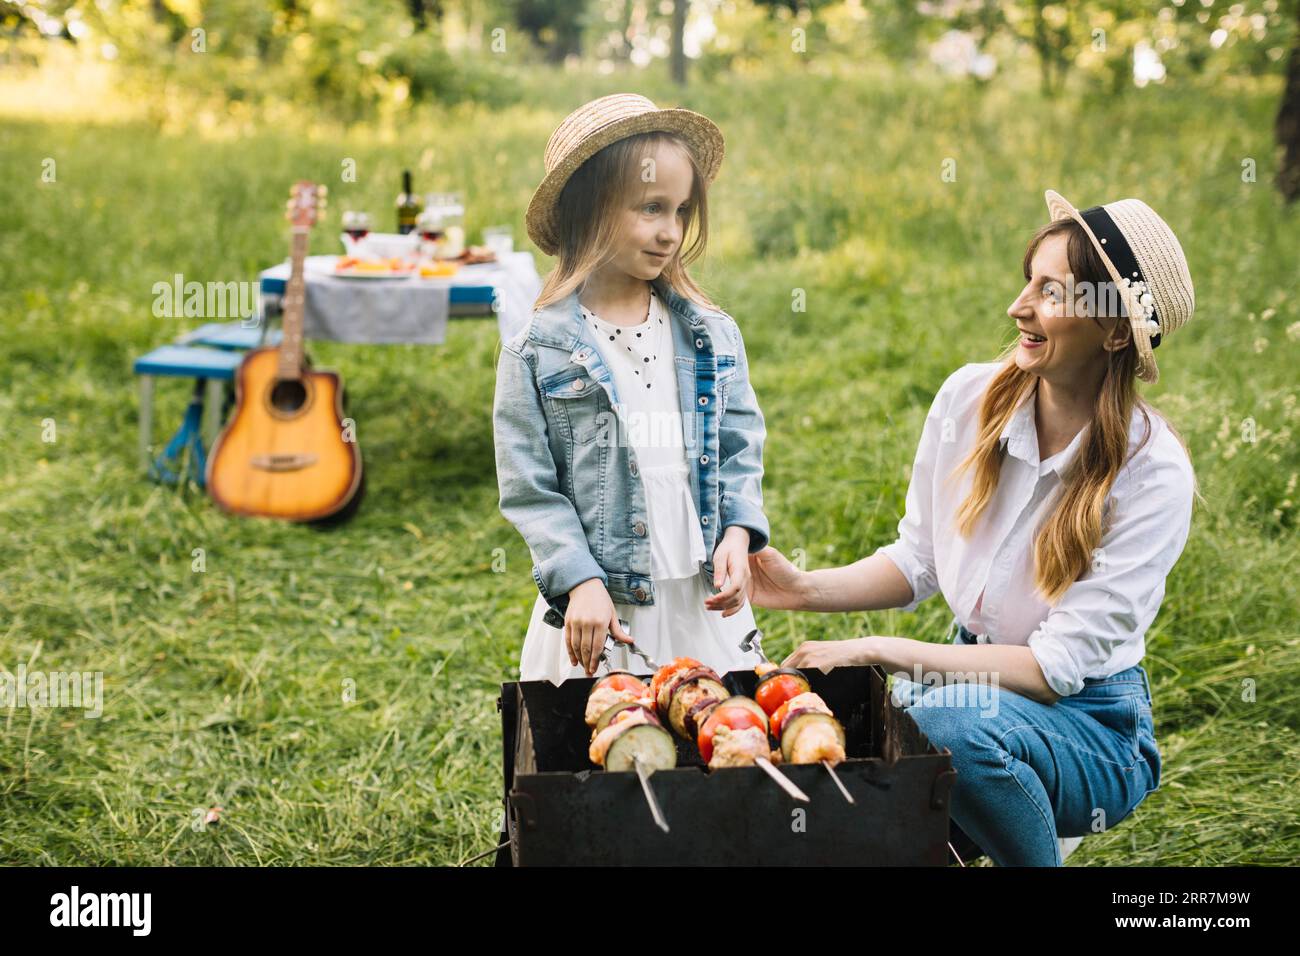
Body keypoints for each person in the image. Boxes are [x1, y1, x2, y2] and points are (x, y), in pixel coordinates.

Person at [745, 190, 1198, 866]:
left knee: (941, 724)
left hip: (1091, 728)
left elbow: (1050, 672)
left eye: (1052, 292)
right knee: (877, 760)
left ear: (1111, 331)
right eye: (1027, 281)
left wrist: (878, 648)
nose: (1019, 307)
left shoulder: (1152, 471)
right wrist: (803, 588)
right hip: (967, 690)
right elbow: (919, 561)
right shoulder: (968, 399)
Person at [494, 93, 771, 684]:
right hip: (603, 610)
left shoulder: (711, 334)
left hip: (702, 598)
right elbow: (530, 489)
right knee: (610, 750)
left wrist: (739, 532)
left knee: (714, 741)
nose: (670, 232)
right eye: (651, 208)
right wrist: (580, 580)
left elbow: (738, 445)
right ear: (588, 210)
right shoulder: (536, 349)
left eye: (680, 211)